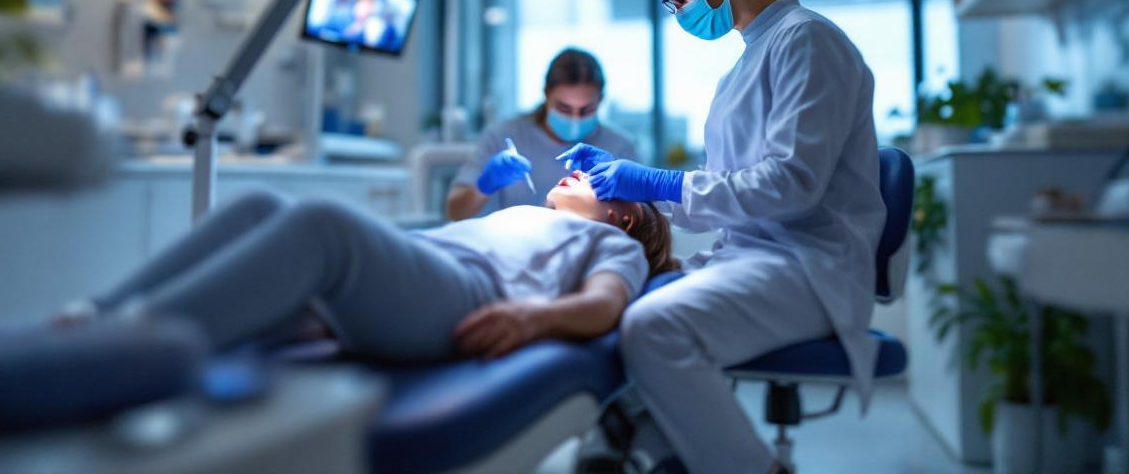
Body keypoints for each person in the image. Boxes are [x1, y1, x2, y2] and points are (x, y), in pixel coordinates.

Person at [560, 0, 886, 474]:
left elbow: (792, 187)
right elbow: (730, 193)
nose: (679, 13)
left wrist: (657, 183)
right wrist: (646, 186)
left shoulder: (807, 41)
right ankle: (657, 450)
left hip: (808, 265)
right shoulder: (739, 70)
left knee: (654, 327)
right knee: (629, 304)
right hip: (757, 254)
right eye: (669, 4)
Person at [57, 173, 679, 361]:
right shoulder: (521, 213)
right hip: (420, 277)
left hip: (469, 297)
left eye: (605, 182)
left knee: (326, 224)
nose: (586, 170)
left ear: (624, 216)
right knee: (260, 205)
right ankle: (97, 315)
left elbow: (604, 305)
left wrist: (531, 318)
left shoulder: (614, 247)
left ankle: (124, 348)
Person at [446, 48, 637, 221]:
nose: (575, 118)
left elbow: (641, 220)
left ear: (601, 100)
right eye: (564, 108)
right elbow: (456, 213)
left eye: (586, 109)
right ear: (546, 94)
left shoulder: (620, 148)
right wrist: (483, 187)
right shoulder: (503, 135)